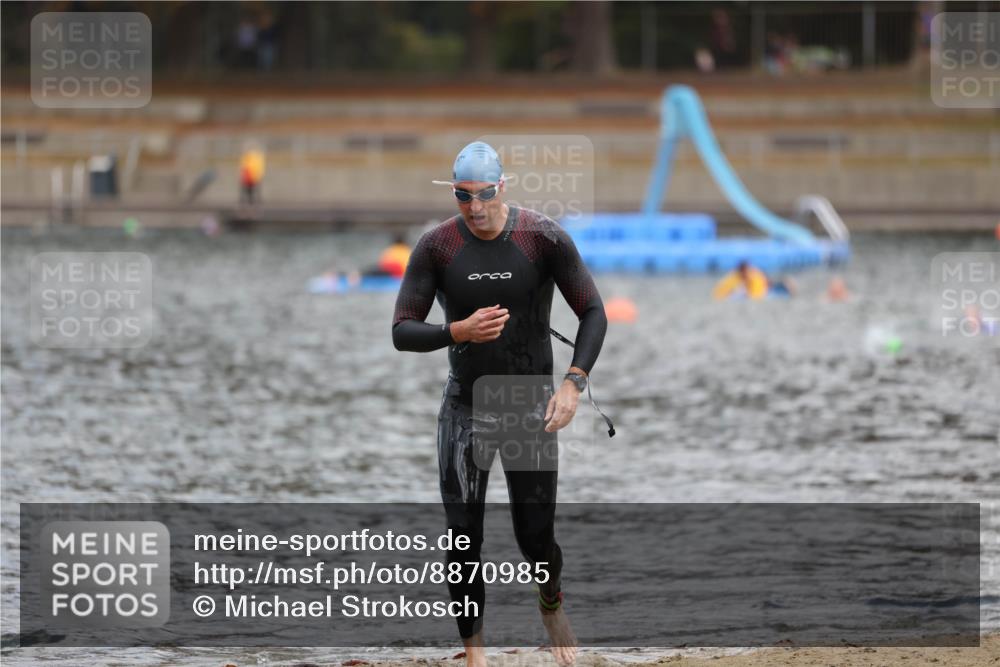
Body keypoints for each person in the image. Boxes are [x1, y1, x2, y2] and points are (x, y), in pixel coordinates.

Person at [392, 141, 607, 667]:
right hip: (465, 406)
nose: (475, 207)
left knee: (535, 539)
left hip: (530, 405)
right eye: (463, 196)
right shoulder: (437, 247)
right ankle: (475, 655)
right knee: (463, 536)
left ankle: (550, 601)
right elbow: (401, 331)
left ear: (502, 187)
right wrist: (455, 331)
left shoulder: (542, 238)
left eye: (484, 194)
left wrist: (573, 383)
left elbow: (594, 312)